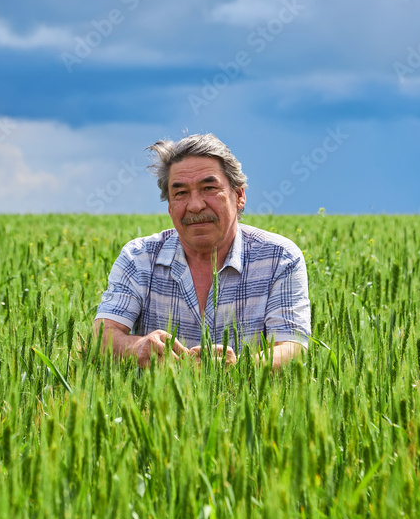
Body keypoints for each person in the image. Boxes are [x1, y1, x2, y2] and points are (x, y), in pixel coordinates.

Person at [93, 133, 310, 369]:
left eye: (208, 188)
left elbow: (293, 347)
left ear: (239, 196)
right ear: (169, 206)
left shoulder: (279, 257)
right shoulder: (139, 257)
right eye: (181, 193)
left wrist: (239, 369)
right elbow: (102, 334)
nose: (195, 205)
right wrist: (136, 347)